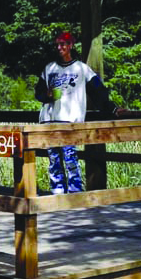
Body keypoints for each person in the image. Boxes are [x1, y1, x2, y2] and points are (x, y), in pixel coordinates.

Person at [34, 30, 119, 194]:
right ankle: (57, 193)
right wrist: (47, 95)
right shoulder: (49, 68)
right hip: (49, 120)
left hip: (69, 122)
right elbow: (38, 93)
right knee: (54, 160)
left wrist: (113, 109)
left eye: (63, 44)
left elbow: (99, 92)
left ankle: (75, 194)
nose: (60, 47)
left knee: (70, 158)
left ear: (70, 45)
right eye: (57, 44)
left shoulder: (81, 69)